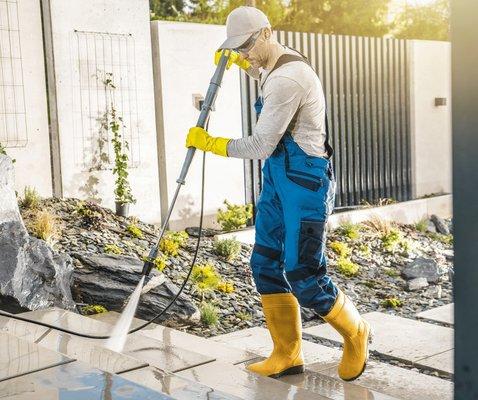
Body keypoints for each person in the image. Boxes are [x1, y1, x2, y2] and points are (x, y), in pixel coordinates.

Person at [185, 6, 371, 382]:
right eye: (239, 47)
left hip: (304, 184)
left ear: (267, 33)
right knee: (265, 263)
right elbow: (263, 73)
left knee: (303, 273)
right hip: (277, 182)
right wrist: (242, 64)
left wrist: (211, 143)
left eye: (248, 45)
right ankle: (287, 354)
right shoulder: (273, 66)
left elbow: (261, 144)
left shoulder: (291, 78)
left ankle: (356, 333)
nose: (247, 52)